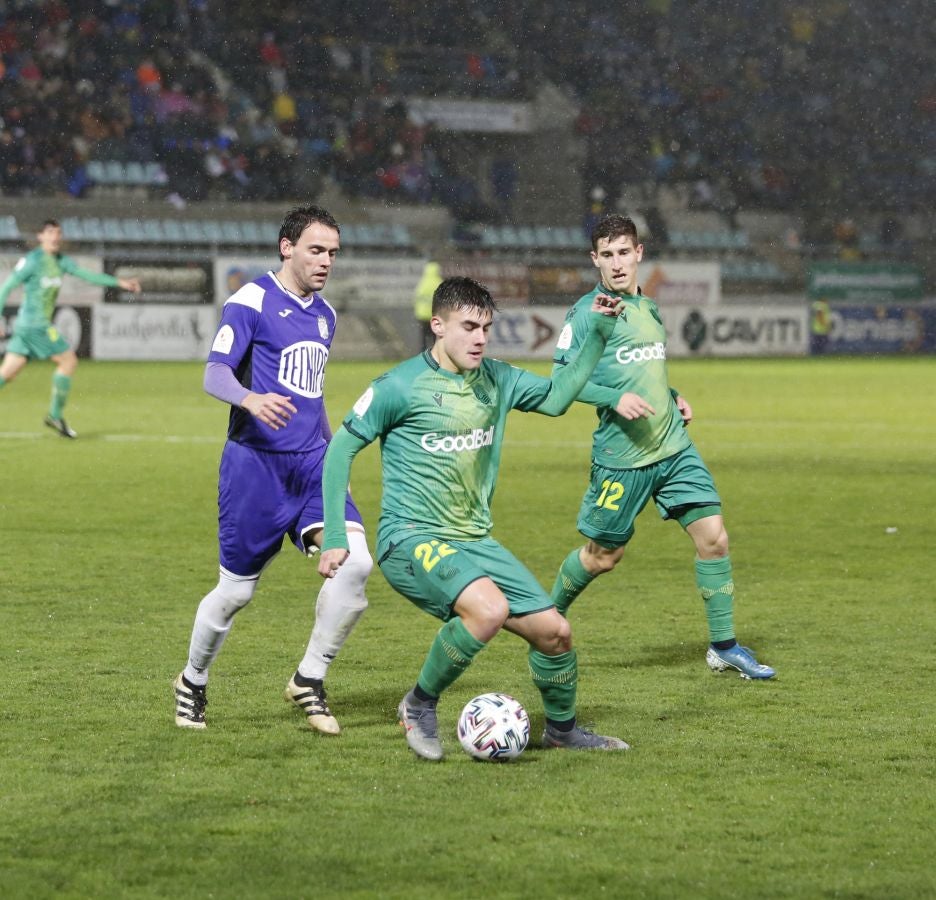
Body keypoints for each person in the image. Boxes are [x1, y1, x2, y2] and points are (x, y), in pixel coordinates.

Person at [317, 276, 631, 761]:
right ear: (438, 326)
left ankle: (562, 731)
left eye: (486, 326)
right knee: (488, 610)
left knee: (555, 634)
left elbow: (557, 398)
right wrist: (336, 534)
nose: (480, 337)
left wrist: (600, 334)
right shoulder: (399, 386)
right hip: (410, 537)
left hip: (474, 540)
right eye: (468, 326)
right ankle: (418, 705)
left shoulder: (498, 378)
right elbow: (340, 450)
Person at [173, 205, 373, 733]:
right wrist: (250, 399)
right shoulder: (251, 301)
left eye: (333, 252)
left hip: (310, 466)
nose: (326, 260)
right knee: (236, 591)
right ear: (287, 247)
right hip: (254, 470)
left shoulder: (325, 316)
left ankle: (309, 678)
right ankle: (192, 680)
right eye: (316, 249)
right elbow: (214, 374)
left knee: (355, 564)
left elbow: (314, 396)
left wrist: (336, 458)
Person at [549, 214, 775, 680]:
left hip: (673, 447)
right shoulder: (586, 314)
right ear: (595, 260)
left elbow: (646, 371)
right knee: (602, 557)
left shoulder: (649, 308)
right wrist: (613, 398)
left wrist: (672, 398)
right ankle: (544, 617)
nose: (616, 263)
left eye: (623, 252)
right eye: (606, 255)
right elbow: (560, 385)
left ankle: (724, 646)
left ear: (639, 254)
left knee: (714, 539)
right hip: (622, 459)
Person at [0, 219, 142, 437]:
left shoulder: (60, 261)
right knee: (68, 361)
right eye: (50, 232)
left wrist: (119, 282)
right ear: (40, 236)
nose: (55, 237)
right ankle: (55, 416)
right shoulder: (32, 260)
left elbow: (87, 275)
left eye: (58, 232)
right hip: (34, 325)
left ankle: (55, 416)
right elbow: (6, 287)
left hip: (27, 327)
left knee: (7, 373)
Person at [412, 260, 442, 350]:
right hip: (435, 316)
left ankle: (422, 357)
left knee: (423, 339)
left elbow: (416, 298)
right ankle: (435, 358)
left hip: (422, 316)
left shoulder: (422, 283)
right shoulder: (439, 283)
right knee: (435, 339)